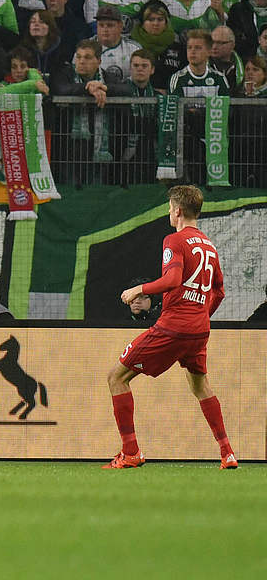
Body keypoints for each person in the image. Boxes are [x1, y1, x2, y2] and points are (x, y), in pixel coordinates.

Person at [109, 185, 236, 469]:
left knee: (116, 378)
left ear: (177, 211)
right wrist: (201, 315)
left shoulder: (174, 241)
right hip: (199, 329)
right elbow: (219, 291)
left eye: (169, 207)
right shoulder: (209, 246)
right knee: (200, 386)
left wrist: (137, 289)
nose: (169, 212)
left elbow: (172, 280)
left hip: (174, 327)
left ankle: (130, 452)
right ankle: (227, 452)